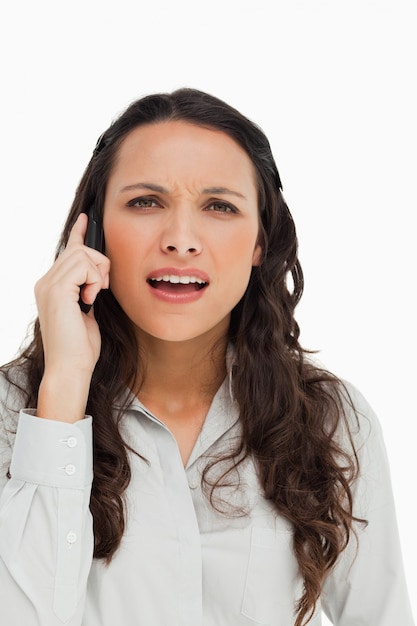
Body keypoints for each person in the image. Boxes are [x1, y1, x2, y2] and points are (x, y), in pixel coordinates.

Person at [0, 88, 414, 626]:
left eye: (219, 206)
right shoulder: (14, 410)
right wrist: (64, 390)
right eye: (146, 202)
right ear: (95, 229)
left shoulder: (332, 419)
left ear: (261, 240)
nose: (181, 239)